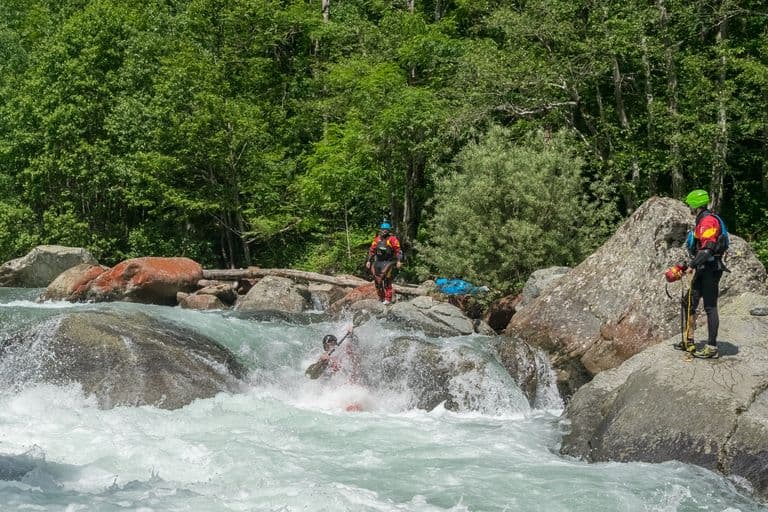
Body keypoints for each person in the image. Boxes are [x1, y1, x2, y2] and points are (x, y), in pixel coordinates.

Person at [673, 189, 726, 359]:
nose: (689, 207)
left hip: (710, 270)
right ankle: (689, 340)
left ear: (695, 205)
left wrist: (691, 265)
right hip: (703, 268)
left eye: (690, 204)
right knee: (688, 302)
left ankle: (711, 347)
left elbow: (708, 248)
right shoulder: (702, 220)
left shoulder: (708, 221)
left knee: (710, 307)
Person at [365, 222, 403, 305]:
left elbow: (398, 251)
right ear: (381, 230)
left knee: (387, 280)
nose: (384, 231)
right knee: (377, 281)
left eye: (386, 229)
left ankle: (388, 299)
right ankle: (381, 297)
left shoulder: (393, 239)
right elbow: (372, 250)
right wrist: (368, 261)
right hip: (378, 262)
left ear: (389, 230)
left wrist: (399, 261)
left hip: (389, 262)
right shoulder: (377, 239)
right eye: (383, 229)